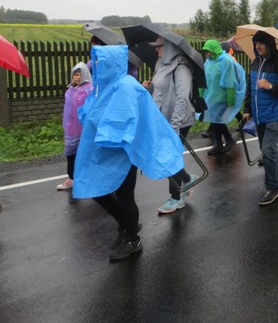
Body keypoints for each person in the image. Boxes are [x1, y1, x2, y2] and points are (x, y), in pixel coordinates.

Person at [74, 45, 185, 261]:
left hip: (123, 153)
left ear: (112, 62)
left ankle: (132, 238)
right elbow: (92, 110)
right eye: (95, 61)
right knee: (96, 188)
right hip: (104, 151)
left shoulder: (125, 86)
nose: (96, 65)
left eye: (99, 61)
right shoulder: (104, 85)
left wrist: (101, 125)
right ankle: (127, 223)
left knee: (124, 196)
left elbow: (124, 119)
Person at [142, 36, 198, 214]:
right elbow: (160, 90)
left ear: (171, 48)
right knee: (167, 156)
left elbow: (182, 98)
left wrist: (175, 126)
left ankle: (176, 198)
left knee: (169, 156)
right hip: (161, 118)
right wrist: (149, 87)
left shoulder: (182, 68)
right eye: (156, 46)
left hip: (178, 119)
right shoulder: (161, 64)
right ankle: (187, 179)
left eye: (160, 47)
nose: (156, 50)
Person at [242, 31, 278, 205]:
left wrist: (271, 85)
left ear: (269, 45)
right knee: (266, 150)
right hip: (260, 114)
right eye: (256, 43)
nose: (258, 47)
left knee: (268, 149)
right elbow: (251, 88)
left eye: (262, 44)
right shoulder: (255, 63)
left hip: (276, 113)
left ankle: (273, 186)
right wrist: (248, 109)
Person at [201, 40, 246, 155]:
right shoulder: (208, 62)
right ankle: (220, 143)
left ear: (215, 49)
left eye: (209, 51)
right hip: (211, 95)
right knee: (214, 119)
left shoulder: (226, 61)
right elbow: (204, 78)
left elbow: (229, 81)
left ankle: (226, 140)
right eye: (206, 51)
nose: (208, 53)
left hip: (222, 96)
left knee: (217, 119)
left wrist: (230, 99)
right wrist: (201, 94)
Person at [57, 62, 93, 191]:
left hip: (83, 129)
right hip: (71, 129)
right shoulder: (71, 89)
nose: (78, 77)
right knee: (71, 154)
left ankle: (88, 178)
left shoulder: (89, 89)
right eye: (75, 75)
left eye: (81, 74)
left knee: (84, 153)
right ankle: (72, 178)